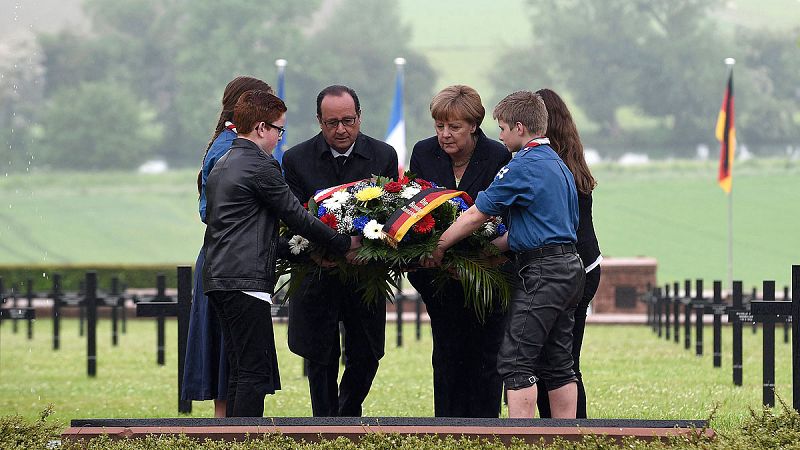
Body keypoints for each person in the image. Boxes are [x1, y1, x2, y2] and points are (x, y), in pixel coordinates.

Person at [422, 90, 585, 419]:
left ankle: (519, 437)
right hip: (569, 268)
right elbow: (524, 232)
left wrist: (439, 245)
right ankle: (568, 436)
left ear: (519, 128)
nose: (499, 136)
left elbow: (475, 215)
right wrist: (481, 255)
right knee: (558, 362)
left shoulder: (522, 166)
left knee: (516, 361)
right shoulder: (558, 165)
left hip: (541, 273)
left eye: (503, 128)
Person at [203, 89, 360, 417]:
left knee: (240, 370)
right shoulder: (260, 166)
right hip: (245, 280)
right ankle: (244, 439)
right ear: (261, 128)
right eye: (279, 129)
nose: (279, 137)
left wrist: (305, 253)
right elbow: (296, 216)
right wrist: (343, 244)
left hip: (220, 278)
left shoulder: (225, 162)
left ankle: (231, 437)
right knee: (254, 374)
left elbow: (250, 232)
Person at [282, 85, 398, 417]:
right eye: (332, 123)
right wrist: (318, 252)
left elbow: (393, 213)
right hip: (316, 272)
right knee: (319, 356)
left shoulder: (383, 155)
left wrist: (368, 249)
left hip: (365, 274)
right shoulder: (296, 159)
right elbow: (292, 219)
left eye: (348, 120)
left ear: (360, 117)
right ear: (319, 121)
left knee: (366, 354)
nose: (341, 130)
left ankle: (347, 415)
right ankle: (324, 424)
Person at [407, 85, 511, 417]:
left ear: (474, 126)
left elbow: (503, 216)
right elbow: (413, 209)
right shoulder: (424, 153)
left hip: (486, 277)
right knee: (447, 357)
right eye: (439, 126)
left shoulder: (497, 156)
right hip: (438, 278)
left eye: (454, 127)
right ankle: (447, 429)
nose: (445, 135)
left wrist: (478, 258)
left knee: (487, 359)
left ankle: (486, 432)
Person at [182, 76, 273, 417]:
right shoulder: (230, 150)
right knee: (233, 364)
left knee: (235, 364)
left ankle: (229, 431)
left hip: (226, 259)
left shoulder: (229, 144)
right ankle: (227, 433)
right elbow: (212, 211)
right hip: (230, 263)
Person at [534, 88, 602, 419]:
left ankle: (562, 429)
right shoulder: (572, 161)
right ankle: (568, 428)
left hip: (567, 268)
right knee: (563, 359)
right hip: (586, 265)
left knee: (558, 362)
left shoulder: (547, 167)